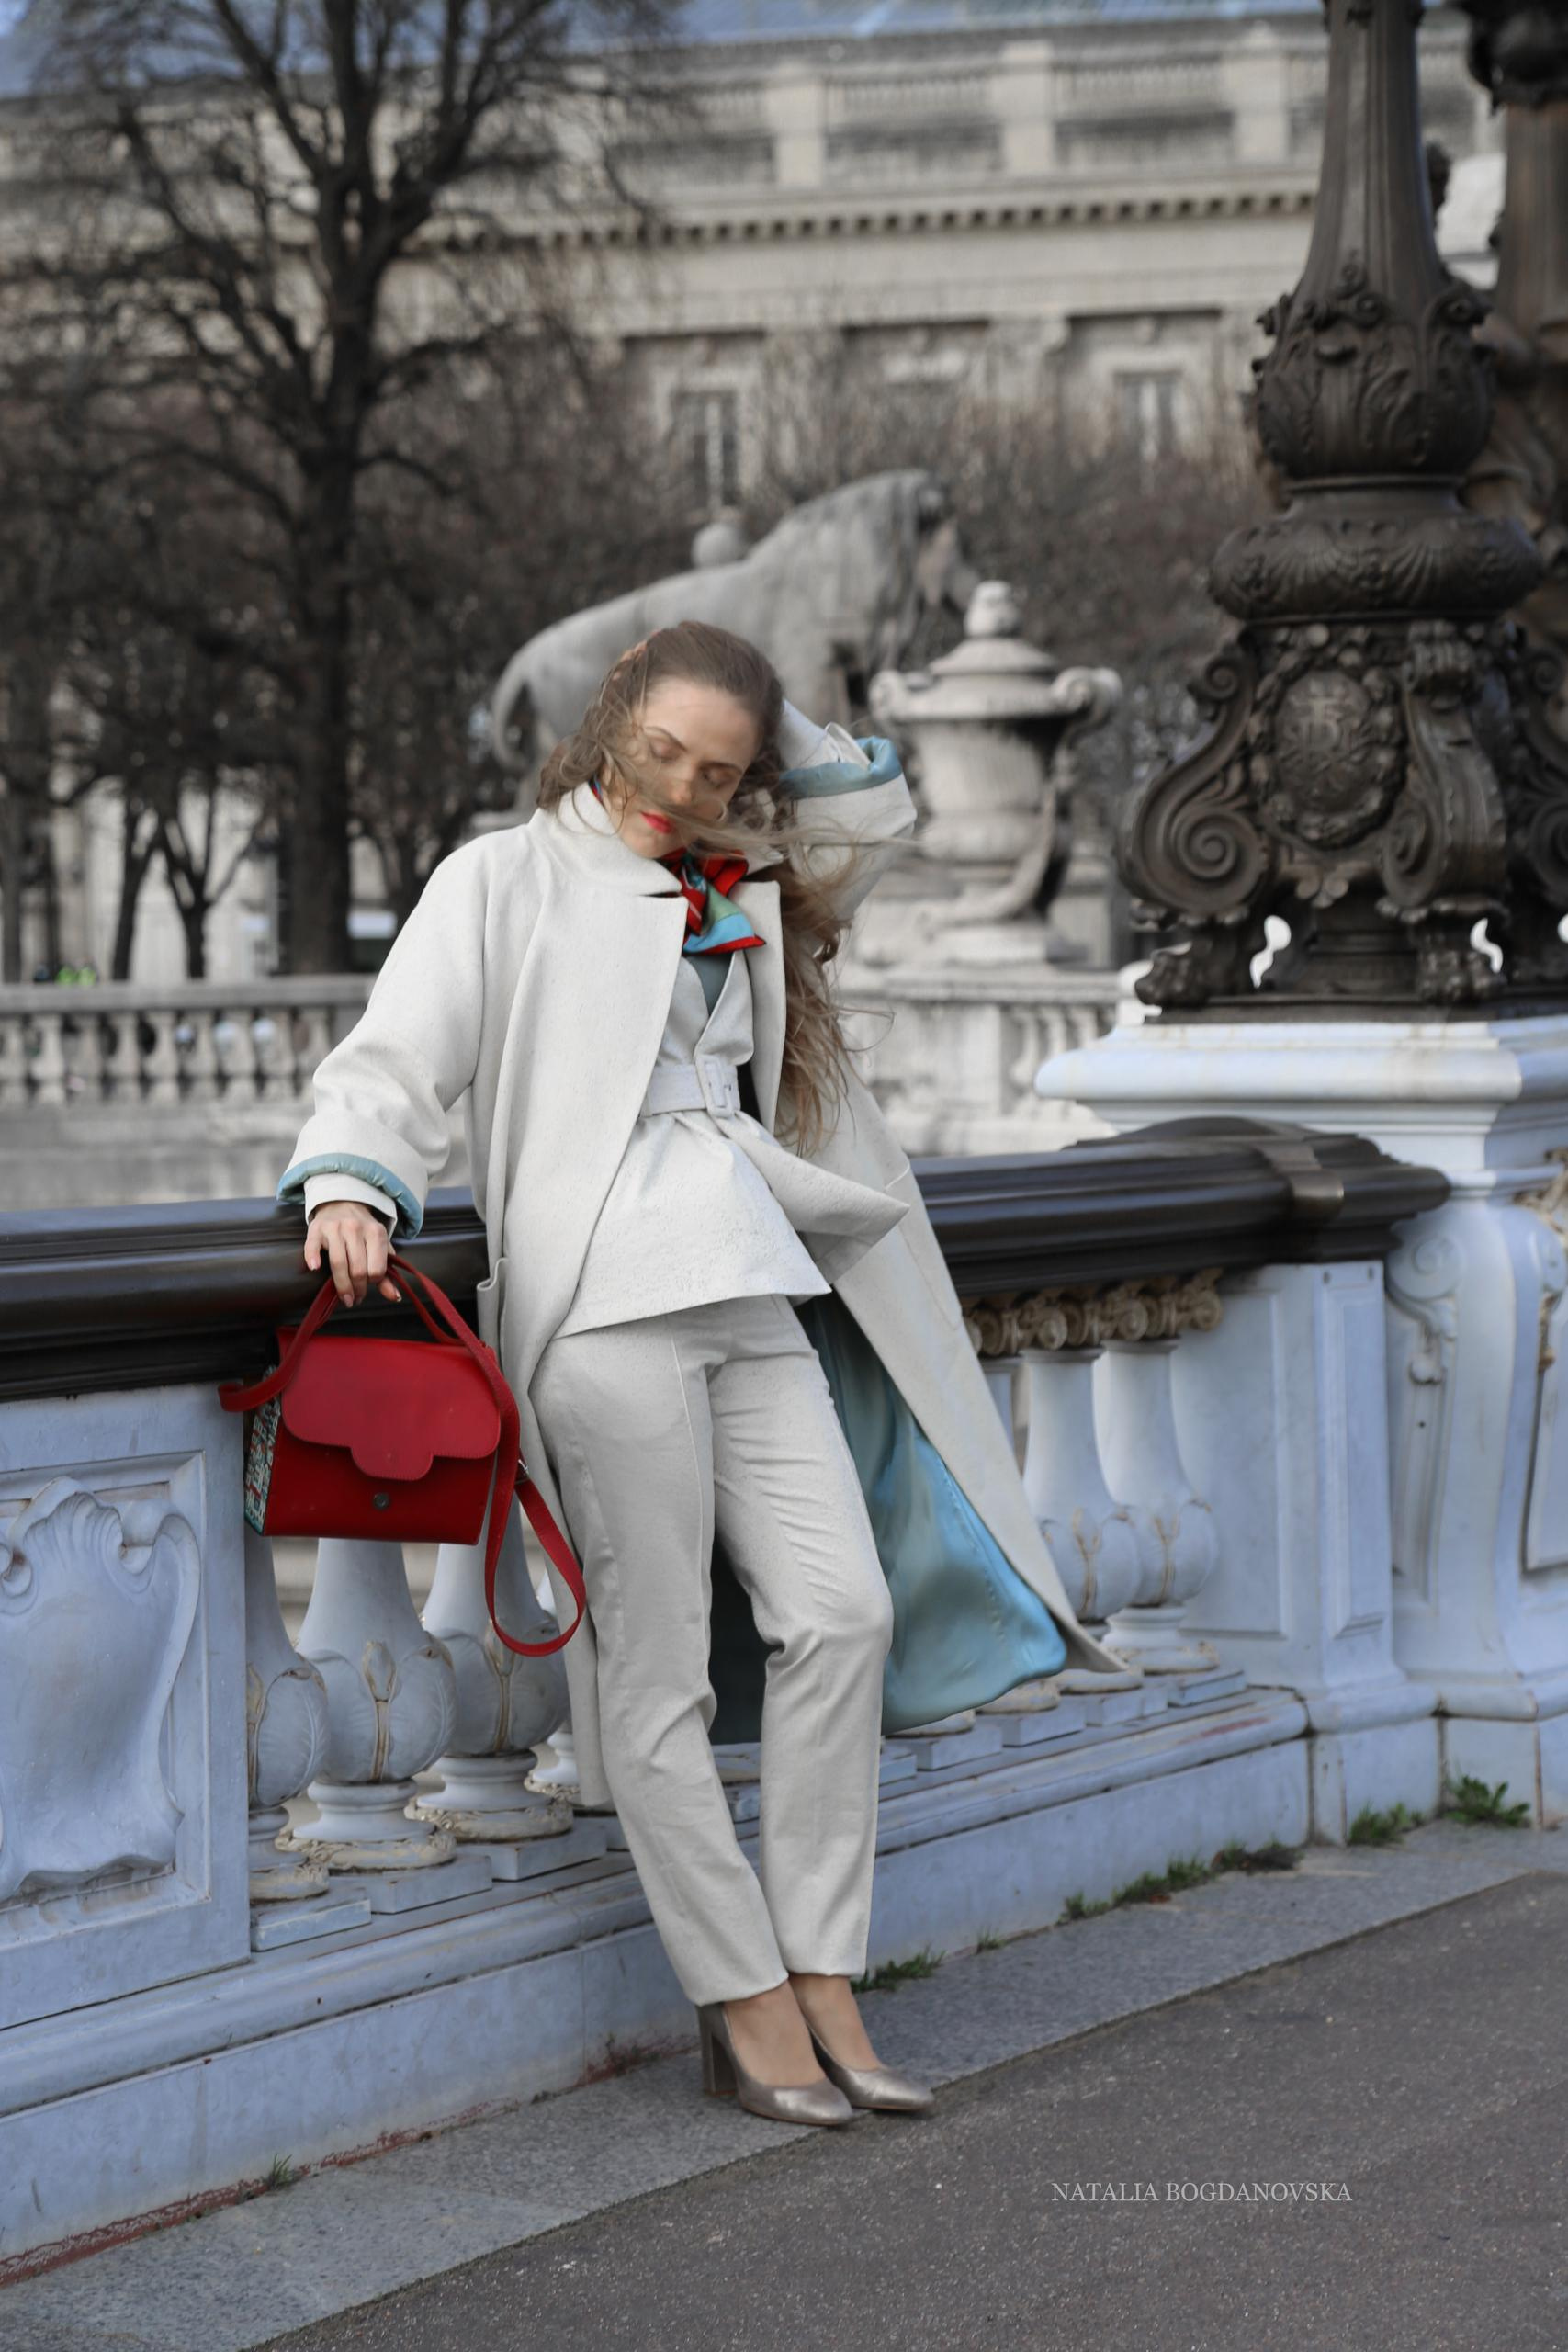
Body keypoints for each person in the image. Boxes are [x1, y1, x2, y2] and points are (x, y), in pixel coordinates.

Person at [278, 620, 1123, 2129]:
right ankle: (744, 1996)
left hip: (751, 1277)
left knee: (843, 1615)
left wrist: (761, 708)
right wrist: (352, 1181)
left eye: (717, 769)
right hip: (604, 1308)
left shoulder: (743, 879)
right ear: (610, 715)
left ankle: (823, 1966)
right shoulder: (504, 878)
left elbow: (868, 811)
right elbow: (393, 1058)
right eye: (659, 748)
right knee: (655, 1677)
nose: (680, 785)